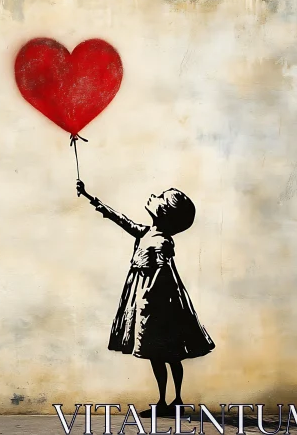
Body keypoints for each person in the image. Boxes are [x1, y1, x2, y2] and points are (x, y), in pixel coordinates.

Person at [76, 179, 214, 418]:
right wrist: (90, 198)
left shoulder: (161, 241)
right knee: (156, 354)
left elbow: (164, 272)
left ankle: (177, 399)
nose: (153, 196)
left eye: (160, 198)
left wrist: (148, 297)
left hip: (159, 304)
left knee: (170, 355)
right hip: (146, 301)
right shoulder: (147, 232)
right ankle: (163, 401)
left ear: (164, 213)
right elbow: (121, 220)